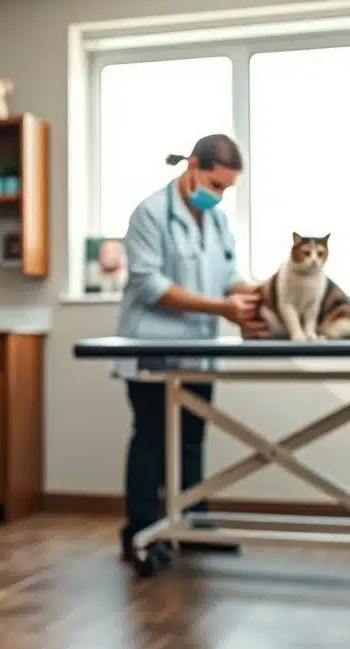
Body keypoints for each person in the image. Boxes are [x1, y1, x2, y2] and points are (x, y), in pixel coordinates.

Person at [112, 133, 266, 565]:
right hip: (153, 348)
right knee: (152, 440)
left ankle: (193, 523)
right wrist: (223, 307)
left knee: (192, 439)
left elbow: (229, 274)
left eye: (225, 190)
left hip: (198, 348)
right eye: (215, 186)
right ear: (192, 166)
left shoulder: (215, 221)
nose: (217, 197)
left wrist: (260, 297)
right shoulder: (150, 214)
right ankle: (141, 532)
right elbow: (149, 285)